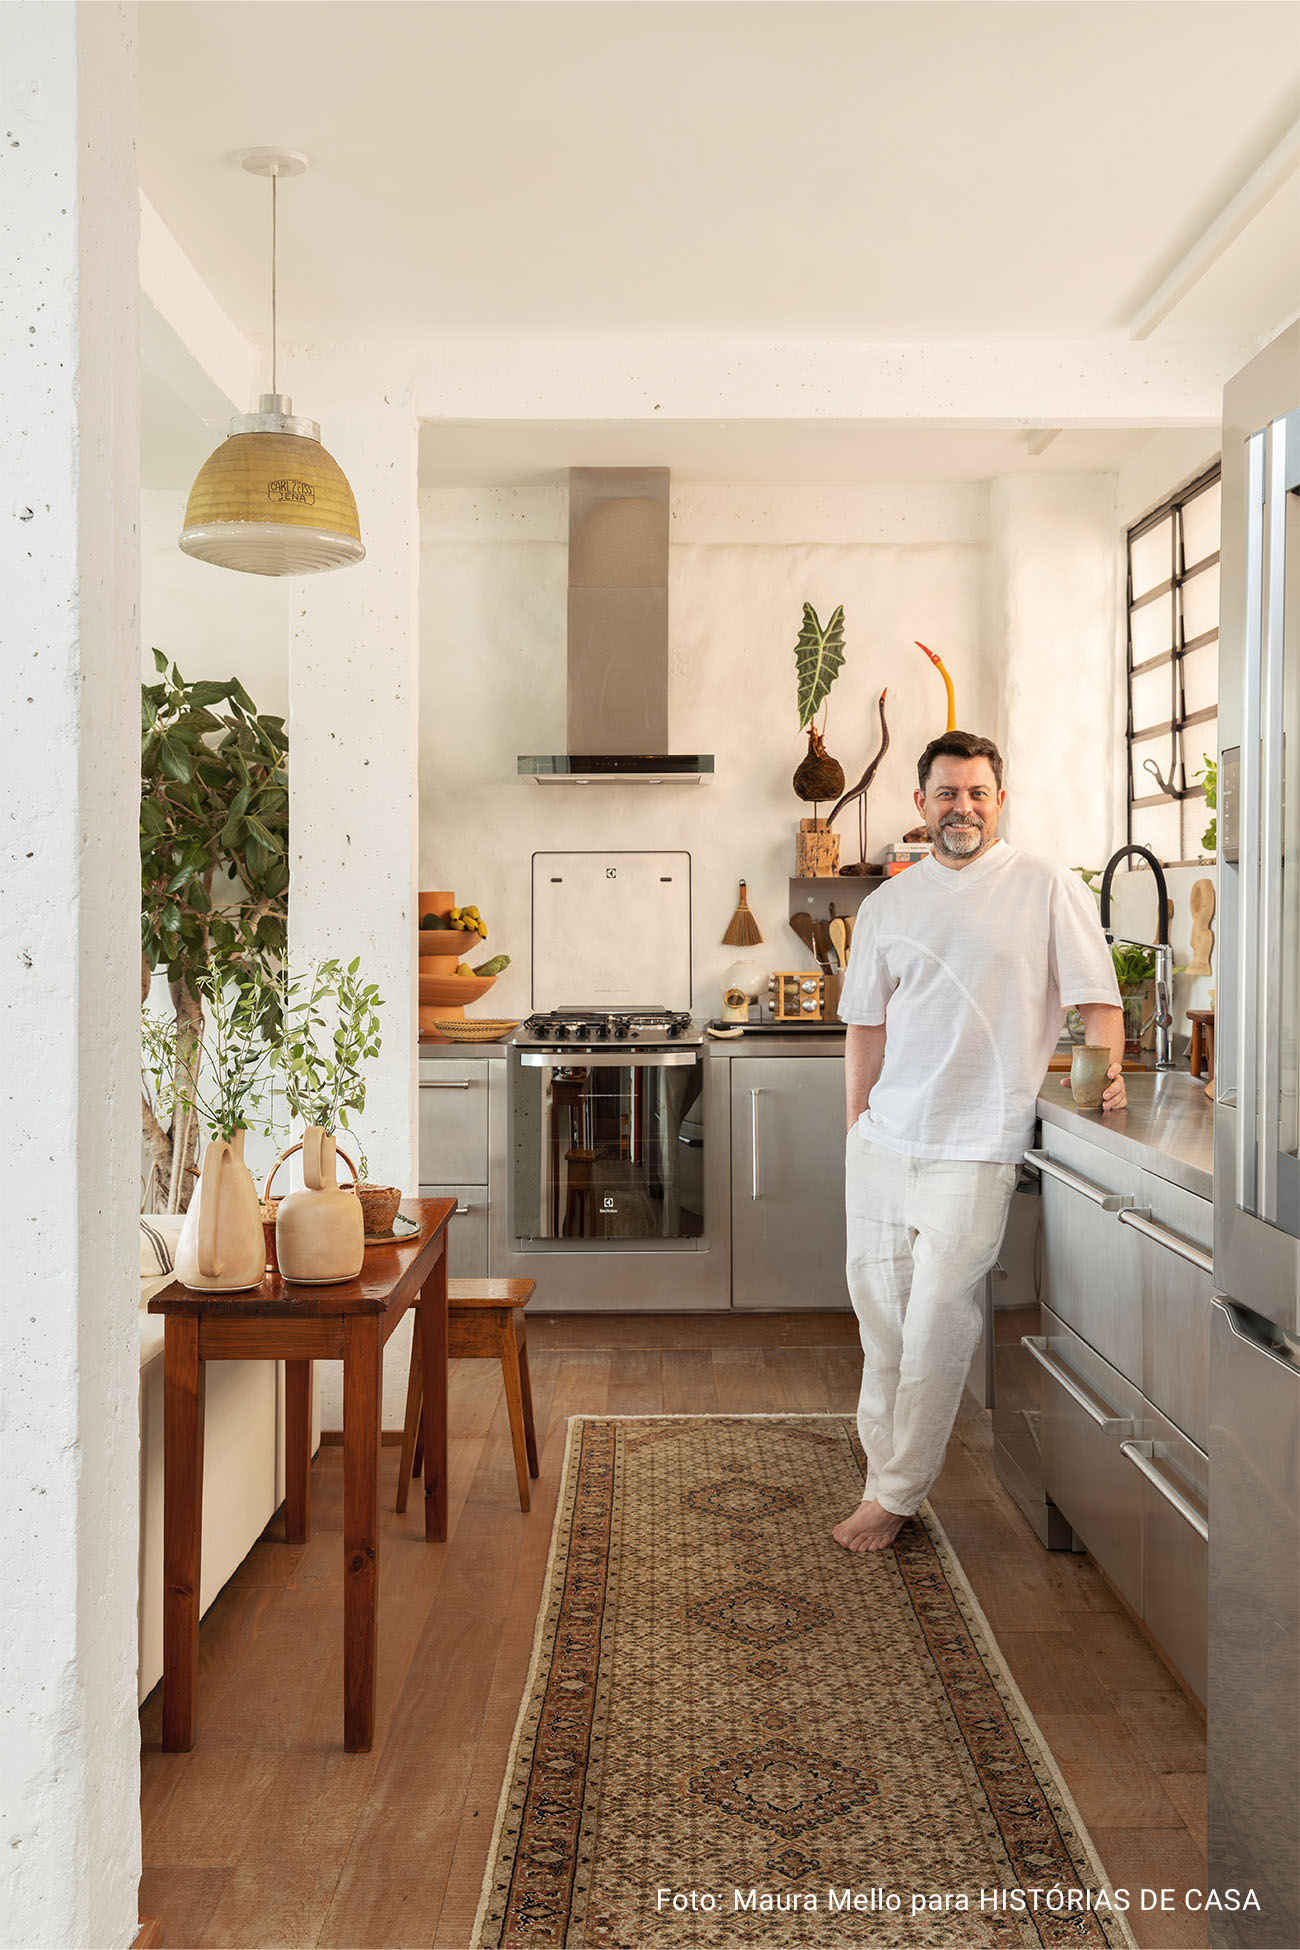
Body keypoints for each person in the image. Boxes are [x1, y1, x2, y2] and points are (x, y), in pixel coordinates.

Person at [832, 729, 1125, 1554]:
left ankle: (895, 1495)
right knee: (881, 1321)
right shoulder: (889, 902)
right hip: (885, 1144)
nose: (963, 807)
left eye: (978, 793)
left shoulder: (1043, 887)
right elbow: (864, 1023)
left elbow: (1096, 999)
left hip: (975, 1145)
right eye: (947, 793)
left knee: (935, 1320)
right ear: (921, 804)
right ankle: (882, 1465)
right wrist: (857, 1120)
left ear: (1000, 800)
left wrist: (1102, 1074)